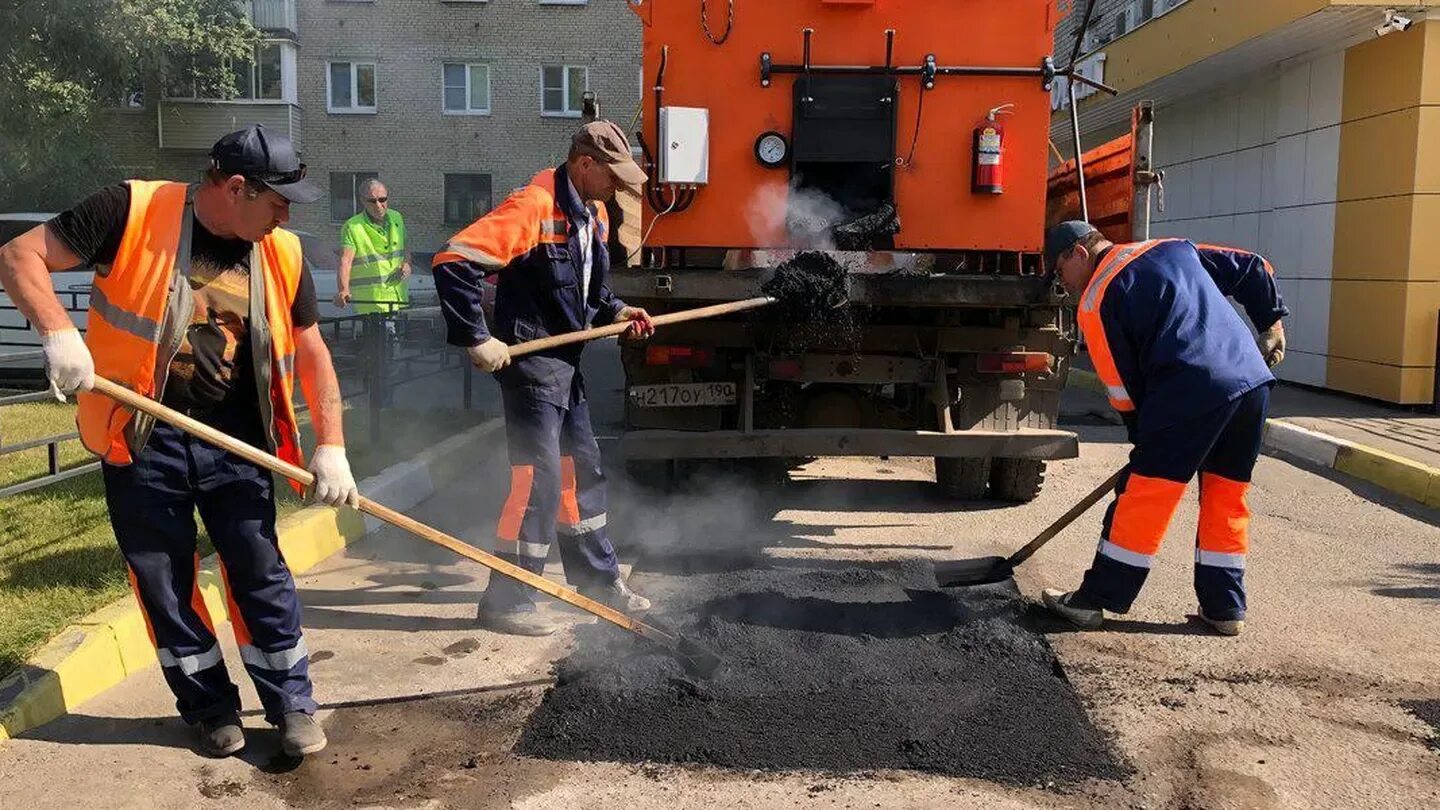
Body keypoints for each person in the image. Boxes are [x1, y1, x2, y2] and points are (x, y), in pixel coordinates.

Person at [0, 124, 358, 758]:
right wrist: (58, 332)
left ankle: (291, 703)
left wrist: (331, 444)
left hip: (239, 442)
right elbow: (18, 254)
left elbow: (310, 349)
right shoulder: (130, 211)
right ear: (237, 188)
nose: (283, 218)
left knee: (260, 571)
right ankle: (208, 705)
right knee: (163, 582)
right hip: (139, 441)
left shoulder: (284, 252)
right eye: (276, 203)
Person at [432, 120, 656, 637]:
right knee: (539, 480)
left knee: (582, 473)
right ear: (584, 165)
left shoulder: (595, 216)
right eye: (613, 176)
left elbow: (592, 296)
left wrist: (619, 312)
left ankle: (598, 584)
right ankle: (506, 600)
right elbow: (452, 260)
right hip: (532, 364)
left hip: (567, 363)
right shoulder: (533, 206)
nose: (619, 187)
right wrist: (476, 336)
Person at [1040, 221, 1288, 636]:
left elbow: (1121, 390)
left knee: (1145, 496)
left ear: (1078, 255)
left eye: (1059, 272)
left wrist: (1145, 445)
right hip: (1251, 382)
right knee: (1227, 496)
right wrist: (1271, 324)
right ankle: (1224, 608)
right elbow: (1254, 267)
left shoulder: (1097, 299)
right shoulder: (1173, 248)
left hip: (1188, 390)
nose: (1062, 283)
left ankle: (1096, 599)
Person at [334, 178, 410, 318]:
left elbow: (405, 248)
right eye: (372, 201)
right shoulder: (352, 226)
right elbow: (345, 261)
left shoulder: (397, 218)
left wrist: (407, 264)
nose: (378, 205)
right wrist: (343, 289)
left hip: (398, 299)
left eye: (382, 200)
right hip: (371, 304)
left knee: (399, 339)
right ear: (362, 201)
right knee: (377, 340)